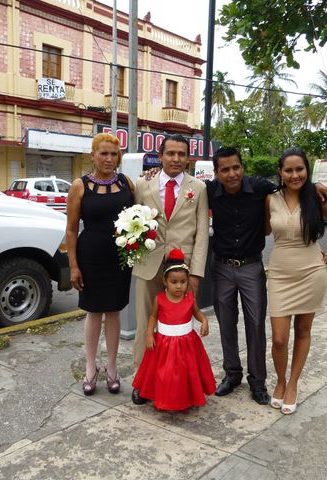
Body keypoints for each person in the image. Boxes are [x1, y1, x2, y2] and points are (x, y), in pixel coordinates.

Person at [207, 146, 327, 405]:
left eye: (236, 167)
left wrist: (315, 184)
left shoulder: (261, 189)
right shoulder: (209, 192)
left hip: (252, 267)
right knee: (226, 324)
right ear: (216, 172)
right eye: (225, 169)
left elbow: (293, 181)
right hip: (221, 267)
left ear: (243, 167)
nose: (232, 174)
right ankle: (231, 375)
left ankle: (258, 381)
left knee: (256, 324)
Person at [265, 147, 327, 414]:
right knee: (278, 338)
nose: (295, 174)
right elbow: (265, 229)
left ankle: (293, 384)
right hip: (279, 273)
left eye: (300, 169)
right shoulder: (271, 199)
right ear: (281, 172)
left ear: (307, 170)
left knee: (302, 331)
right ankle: (280, 380)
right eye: (289, 170)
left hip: (311, 272)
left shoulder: (318, 197)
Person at [131, 134, 209, 405]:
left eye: (181, 154)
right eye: (171, 153)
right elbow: (133, 220)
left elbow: (202, 233)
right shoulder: (144, 183)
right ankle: (142, 382)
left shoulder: (198, 187)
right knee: (146, 324)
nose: (176, 159)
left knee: (180, 329)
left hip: (182, 269)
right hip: (149, 264)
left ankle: (179, 384)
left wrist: (196, 272)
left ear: (188, 157)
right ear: (160, 156)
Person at [66, 132, 135, 396]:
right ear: (92, 156)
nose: (108, 159)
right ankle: (90, 368)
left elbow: (136, 216)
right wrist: (73, 266)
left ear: (119, 157)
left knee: (114, 312)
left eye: (113, 154)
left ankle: (113, 369)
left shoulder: (126, 183)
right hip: (90, 257)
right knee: (93, 312)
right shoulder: (79, 186)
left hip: (119, 258)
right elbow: (71, 230)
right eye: (103, 153)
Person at [132, 249, 216, 410]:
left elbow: (196, 312)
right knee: (166, 373)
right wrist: (149, 334)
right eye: (174, 282)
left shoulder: (189, 298)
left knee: (185, 372)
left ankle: (186, 398)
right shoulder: (160, 299)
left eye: (183, 282)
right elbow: (153, 317)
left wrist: (204, 320)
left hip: (186, 344)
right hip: (164, 345)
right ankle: (165, 399)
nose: (179, 286)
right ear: (165, 282)